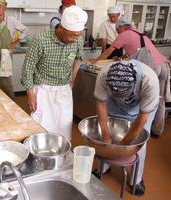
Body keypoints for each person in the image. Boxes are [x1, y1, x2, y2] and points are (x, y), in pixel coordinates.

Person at [90, 16, 171, 138]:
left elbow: (109, 51)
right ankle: (157, 131)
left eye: (118, 30)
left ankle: (136, 129)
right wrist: (122, 59)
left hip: (150, 67)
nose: (118, 33)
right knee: (158, 100)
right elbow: (133, 52)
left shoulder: (124, 34)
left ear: (122, 27)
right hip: (163, 65)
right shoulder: (140, 32)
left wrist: (95, 61)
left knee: (143, 100)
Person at [21, 6, 87, 141]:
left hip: (64, 90)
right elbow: (28, 67)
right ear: (61, 28)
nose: (75, 39)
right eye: (72, 35)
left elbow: (78, 58)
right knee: (41, 129)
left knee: (63, 128)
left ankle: (60, 156)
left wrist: (72, 80)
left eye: (78, 35)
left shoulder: (78, 40)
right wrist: (30, 93)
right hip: (43, 91)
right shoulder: (41, 40)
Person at [94, 60, 159, 196]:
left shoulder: (150, 82)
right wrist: (106, 136)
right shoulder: (104, 75)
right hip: (114, 105)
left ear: (134, 84)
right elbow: (101, 104)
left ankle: (136, 179)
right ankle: (103, 167)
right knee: (109, 131)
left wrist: (124, 145)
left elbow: (142, 118)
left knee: (140, 142)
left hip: (142, 107)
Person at [0, 0, 28, 100]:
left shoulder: (11, 20)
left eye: (0, 6)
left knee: (6, 82)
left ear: (5, 8)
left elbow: (25, 30)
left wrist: (14, 42)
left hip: (6, 55)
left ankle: (12, 103)